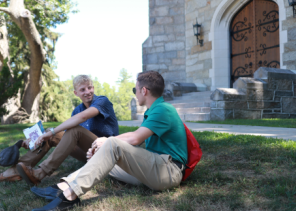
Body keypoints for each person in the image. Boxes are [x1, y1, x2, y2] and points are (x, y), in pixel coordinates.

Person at [31, 70, 188, 211]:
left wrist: (107, 141)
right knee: (105, 157)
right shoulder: (154, 110)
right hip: (152, 171)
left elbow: (135, 138)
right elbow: (137, 139)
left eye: (135, 90)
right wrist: (103, 149)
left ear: (144, 91)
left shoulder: (164, 109)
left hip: (168, 171)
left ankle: (69, 197)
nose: (135, 94)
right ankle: (62, 186)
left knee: (111, 144)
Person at [0, 75, 119, 186]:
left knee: (68, 130)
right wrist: (39, 138)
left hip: (107, 152)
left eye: (89, 88)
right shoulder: (77, 110)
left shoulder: (102, 101)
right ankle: (15, 170)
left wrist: (52, 132)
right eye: (82, 89)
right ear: (76, 93)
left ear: (93, 88)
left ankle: (39, 174)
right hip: (88, 154)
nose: (87, 92)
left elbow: (82, 118)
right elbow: (67, 138)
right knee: (50, 135)